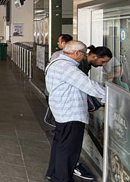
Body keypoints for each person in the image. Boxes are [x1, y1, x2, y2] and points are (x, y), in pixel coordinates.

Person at [44, 40, 106, 182]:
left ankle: (53, 172)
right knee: (69, 149)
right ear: (77, 53)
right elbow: (89, 86)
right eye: (84, 54)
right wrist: (111, 95)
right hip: (70, 113)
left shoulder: (57, 63)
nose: (84, 57)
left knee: (60, 145)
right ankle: (61, 178)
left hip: (61, 112)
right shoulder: (67, 68)